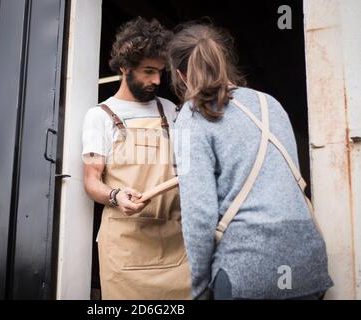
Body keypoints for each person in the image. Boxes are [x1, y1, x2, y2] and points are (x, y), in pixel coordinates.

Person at [168, 22, 333, 300]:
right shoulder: (271, 104)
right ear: (224, 62)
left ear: (181, 76)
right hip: (308, 264)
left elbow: (199, 215)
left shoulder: (191, 118)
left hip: (247, 270)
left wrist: (199, 288)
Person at [82, 17, 191, 300]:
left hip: (174, 245)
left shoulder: (170, 110)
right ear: (124, 67)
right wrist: (116, 195)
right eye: (148, 71)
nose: (157, 80)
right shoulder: (100, 116)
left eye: (160, 72)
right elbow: (91, 181)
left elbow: (189, 169)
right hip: (125, 249)